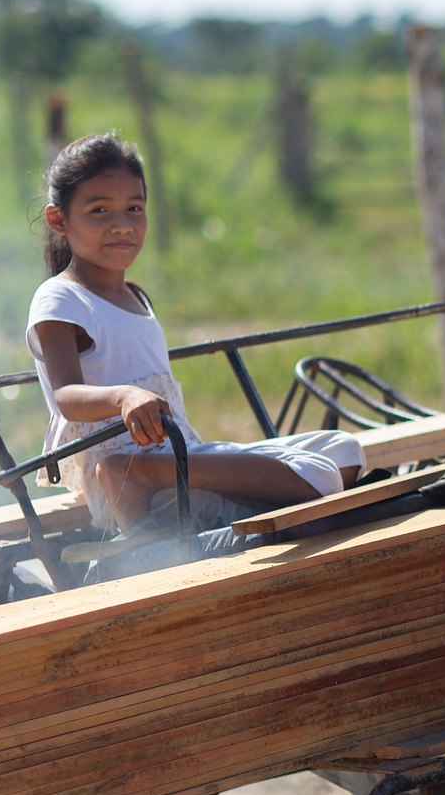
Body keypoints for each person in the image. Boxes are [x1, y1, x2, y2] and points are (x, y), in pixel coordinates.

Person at [26, 133, 364, 534]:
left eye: (134, 207)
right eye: (99, 210)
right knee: (321, 477)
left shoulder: (134, 296)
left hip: (177, 457)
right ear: (58, 219)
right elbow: (64, 395)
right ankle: (133, 476)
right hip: (120, 471)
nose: (122, 225)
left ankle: (225, 489)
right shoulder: (61, 297)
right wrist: (123, 396)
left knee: (346, 450)